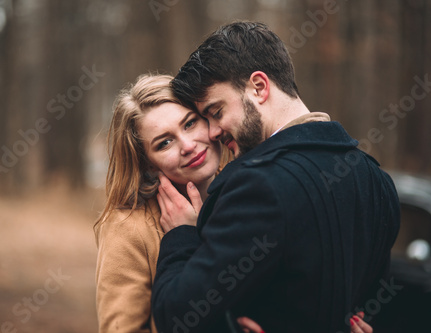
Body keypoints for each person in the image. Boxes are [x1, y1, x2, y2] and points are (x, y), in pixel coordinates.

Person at [152, 21, 400, 333]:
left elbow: (177, 317)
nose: (213, 133)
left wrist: (181, 235)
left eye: (216, 112)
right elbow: (365, 313)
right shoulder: (377, 181)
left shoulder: (255, 185)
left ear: (259, 87)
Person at [94, 73, 372, 333]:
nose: (188, 145)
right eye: (164, 143)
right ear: (149, 166)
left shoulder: (247, 197)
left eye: (190, 123)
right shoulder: (128, 226)